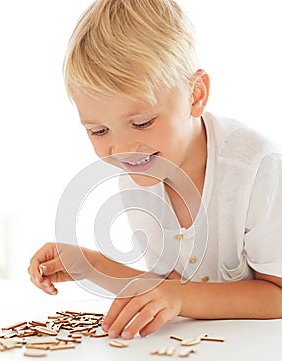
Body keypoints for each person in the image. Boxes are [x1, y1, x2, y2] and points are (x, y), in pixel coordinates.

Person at [28, 0, 282, 340]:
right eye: (99, 131)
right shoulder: (141, 174)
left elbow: (276, 295)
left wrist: (176, 296)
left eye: (142, 122)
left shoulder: (255, 168)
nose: (121, 150)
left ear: (196, 95)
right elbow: (170, 289)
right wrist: (91, 264)